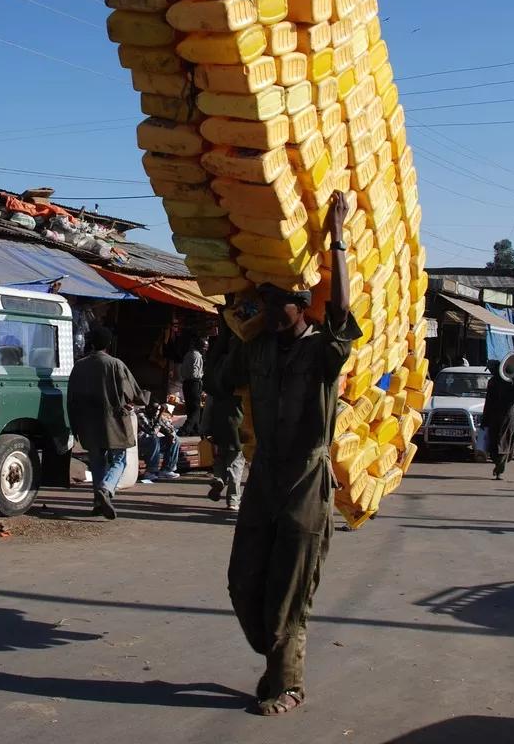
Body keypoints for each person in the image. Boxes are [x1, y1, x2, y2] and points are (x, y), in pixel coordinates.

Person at [209, 192, 360, 716]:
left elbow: (341, 310)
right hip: (264, 475)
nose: (272, 312)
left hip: (305, 482)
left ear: (302, 305)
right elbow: (223, 381)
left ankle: (286, 684)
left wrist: (337, 236)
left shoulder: (324, 351)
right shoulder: (256, 349)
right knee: (242, 581)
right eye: (267, 303)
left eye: (281, 304)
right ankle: (274, 658)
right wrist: (234, 310)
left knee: (289, 593)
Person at [67, 326, 146, 519]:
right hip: (114, 422)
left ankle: (97, 503)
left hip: (88, 423)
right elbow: (133, 393)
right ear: (108, 345)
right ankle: (106, 488)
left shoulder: (79, 366)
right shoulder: (116, 364)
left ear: (91, 343)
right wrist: (141, 400)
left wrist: (75, 425)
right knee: (120, 459)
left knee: (97, 462)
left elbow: (71, 398)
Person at [203, 326, 245, 512]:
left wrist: (205, 428)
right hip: (238, 421)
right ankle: (233, 500)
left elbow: (209, 404)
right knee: (236, 462)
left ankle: (219, 478)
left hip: (219, 420)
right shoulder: (242, 375)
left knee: (220, 456)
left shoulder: (216, 371)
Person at [482, 360, 514, 479]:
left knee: (504, 443)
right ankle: (499, 466)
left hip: (509, 417)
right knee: (495, 444)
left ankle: (500, 467)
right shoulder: (493, 382)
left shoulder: (512, 382)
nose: (490, 371)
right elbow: (488, 402)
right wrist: (485, 421)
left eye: (491, 369)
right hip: (495, 417)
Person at [137, 399, 181, 482]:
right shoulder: (140, 415)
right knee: (154, 438)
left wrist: (170, 435)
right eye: (153, 409)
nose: (155, 412)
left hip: (153, 445)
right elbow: (151, 431)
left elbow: (170, 429)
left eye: (157, 410)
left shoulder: (157, 414)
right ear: (147, 408)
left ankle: (167, 469)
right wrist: (159, 417)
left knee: (176, 439)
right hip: (140, 445)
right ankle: (151, 471)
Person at [179, 337, 207, 436]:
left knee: (191, 408)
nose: (205, 349)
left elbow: (182, 370)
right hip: (194, 383)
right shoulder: (197, 356)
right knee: (195, 409)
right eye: (204, 347)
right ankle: (185, 430)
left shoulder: (188, 354)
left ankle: (196, 429)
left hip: (186, 383)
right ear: (200, 346)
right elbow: (195, 373)